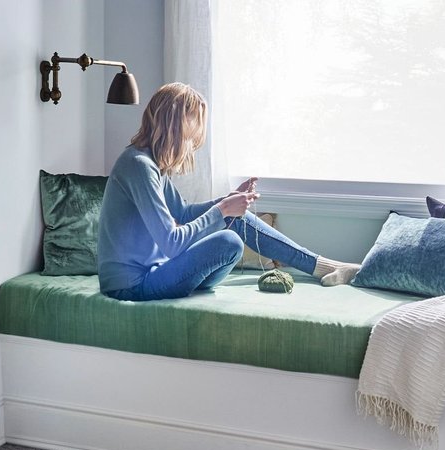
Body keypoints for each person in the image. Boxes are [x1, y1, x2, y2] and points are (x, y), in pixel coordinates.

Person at [98, 82, 361, 301]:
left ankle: (322, 266)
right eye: (190, 136)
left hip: (157, 272)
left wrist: (228, 202)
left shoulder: (152, 164)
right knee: (229, 241)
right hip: (131, 286)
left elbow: (184, 213)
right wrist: (222, 211)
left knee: (237, 218)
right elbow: (173, 242)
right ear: (174, 128)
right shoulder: (138, 166)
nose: (191, 144)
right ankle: (323, 267)